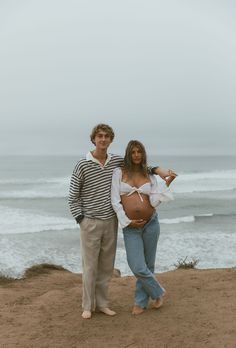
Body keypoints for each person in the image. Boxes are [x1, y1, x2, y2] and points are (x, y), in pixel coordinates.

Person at [68, 124, 176, 319]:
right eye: (99, 136)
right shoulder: (83, 164)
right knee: (92, 266)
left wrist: (159, 171)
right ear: (94, 139)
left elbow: (142, 166)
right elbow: (74, 196)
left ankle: (106, 304)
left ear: (110, 140)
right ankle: (87, 305)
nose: (103, 139)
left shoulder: (116, 162)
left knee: (107, 267)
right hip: (92, 222)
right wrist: (81, 219)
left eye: (106, 136)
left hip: (115, 222)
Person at [111, 140, 176, 315]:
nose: (137, 155)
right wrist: (127, 221)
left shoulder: (149, 175)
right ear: (128, 154)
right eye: (133, 152)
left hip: (151, 223)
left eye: (139, 152)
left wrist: (166, 183)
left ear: (143, 154)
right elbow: (115, 201)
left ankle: (140, 302)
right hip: (130, 227)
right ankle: (158, 292)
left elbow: (154, 201)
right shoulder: (119, 172)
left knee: (148, 264)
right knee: (137, 265)